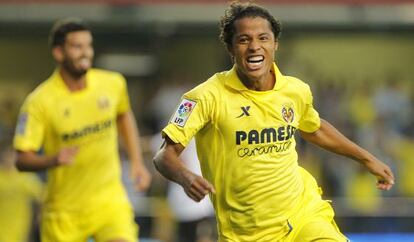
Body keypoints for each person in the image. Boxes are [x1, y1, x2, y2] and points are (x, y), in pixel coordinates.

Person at [153, 2, 395, 242]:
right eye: (244, 40)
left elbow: (315, 128)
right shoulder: (202, 98)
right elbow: (163, 156)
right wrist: (187, 178)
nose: (254, 47)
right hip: (246, 233)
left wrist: (367, 158)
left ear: (275, 44)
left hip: (302, 214)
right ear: (230, 48)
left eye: (263, 38)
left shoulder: (295, 90)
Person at [13, 18, 151, 242]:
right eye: (77, 47)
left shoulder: (112, 83)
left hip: (109, 202)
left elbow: (123, 114)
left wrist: (137, 162)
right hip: (64, 212)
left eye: (89, 45)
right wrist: (53, 159)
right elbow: (22, 159)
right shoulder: (39, 102)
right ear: (58, 53)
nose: (86, 52)